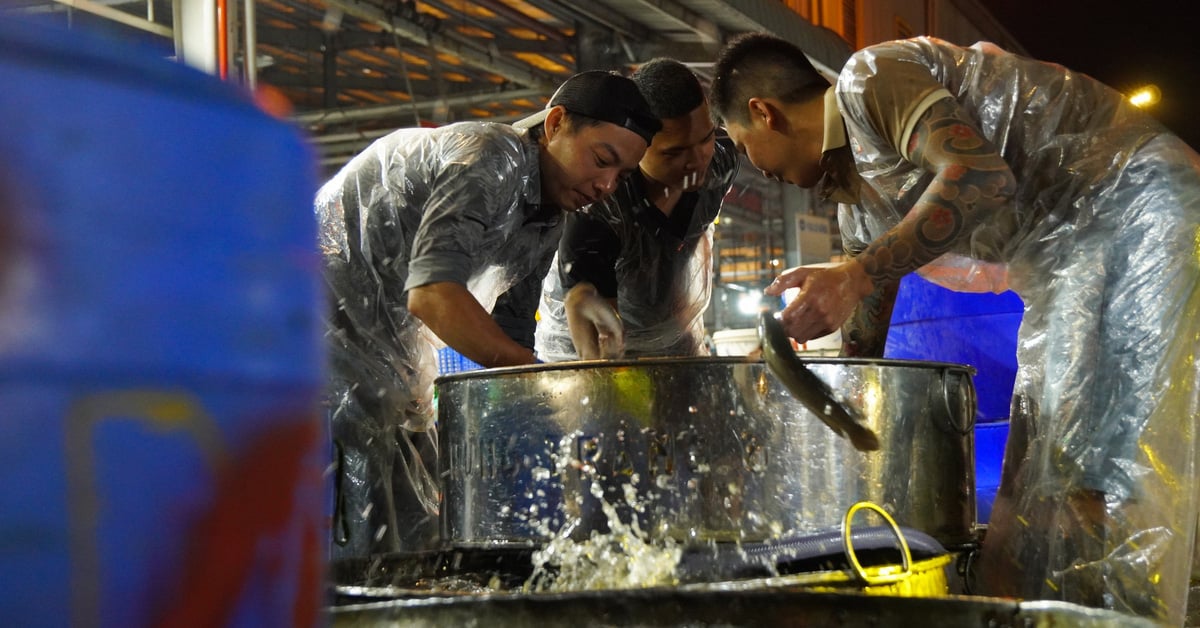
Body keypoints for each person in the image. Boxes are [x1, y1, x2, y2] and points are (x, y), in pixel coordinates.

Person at [710, 32, 1200, 623]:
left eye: (743, 145)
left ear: (764, 113)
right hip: (1066, 260)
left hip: (1133, 208)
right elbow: (865, 341)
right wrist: (809, 381)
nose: (758, 170)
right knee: (1037, 476)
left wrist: (857, 273)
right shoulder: (859, 199)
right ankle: (1062, 611)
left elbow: (977, 177)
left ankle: (1120, 612)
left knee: (1093, 470)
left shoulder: (870, 80)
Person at [314, 70, 660, 579]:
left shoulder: (547, 220)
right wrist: (546, 383)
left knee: (412, 534)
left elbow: (514, 327)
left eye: (622, 175)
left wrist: (550, 407)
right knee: (345, 531)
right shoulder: (489, 156)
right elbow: (433, 295)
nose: (607, 185)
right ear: (557, 123)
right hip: (313, 341)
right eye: (603, 160)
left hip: (389, 361)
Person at [535, 58, 740, 361]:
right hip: (586, 354)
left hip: (676, 344)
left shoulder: (722, 161)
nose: (698, 160)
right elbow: (591, 306)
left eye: (706, 138)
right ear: (637, 146)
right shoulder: (600, 208)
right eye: (674, 152)